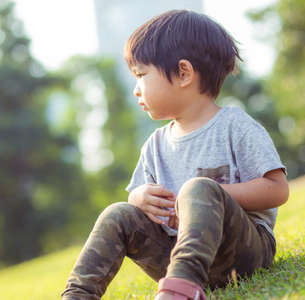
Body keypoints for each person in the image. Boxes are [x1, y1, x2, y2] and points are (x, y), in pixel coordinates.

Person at [62, 9, 289, 300]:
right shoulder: (154, 145)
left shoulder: (235, 126)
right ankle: (78, 294)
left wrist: (215, 194)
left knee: (198, 188)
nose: (136, 90)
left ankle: (182, 287)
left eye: (141, 75)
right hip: (175, 255)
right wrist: (139, 198)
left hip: (243, 255)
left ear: (183, 73)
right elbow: (138, 205)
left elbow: (277, 189)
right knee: (117, 213)